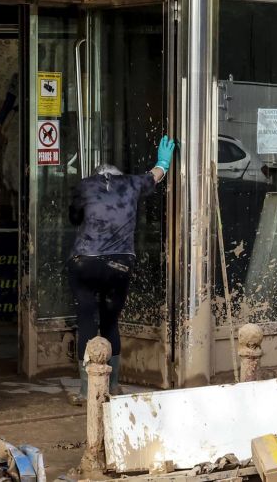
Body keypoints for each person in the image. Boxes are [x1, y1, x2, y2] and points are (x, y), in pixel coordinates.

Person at [67, 135, 176, 405]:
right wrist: (164, 161)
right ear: (118, 175)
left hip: (85, 261)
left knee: (86, 319)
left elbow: (74, 218)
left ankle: (86, 391)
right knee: (110, 321)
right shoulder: (131, 183)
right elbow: (156, 175)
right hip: (120, 263)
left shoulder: (84, 185)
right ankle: (113, 386)